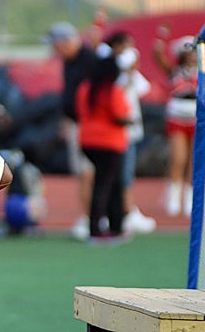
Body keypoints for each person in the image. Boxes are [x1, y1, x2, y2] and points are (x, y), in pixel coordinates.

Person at [45, 21, 96, 240]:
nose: (54, 50)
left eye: (56, 44)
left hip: (91, 124)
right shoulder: (70, 61)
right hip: (77, 123)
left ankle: (90, 218)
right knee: (82, 172)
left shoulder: (90, 60)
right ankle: (90, 217)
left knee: (88, 172)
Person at [75, 53, 132, 244]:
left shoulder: (85, 88)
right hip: (110, 142)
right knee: (106, 185)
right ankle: (97, 230)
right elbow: (121, 115)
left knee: (108, 183)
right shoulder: (112, 90)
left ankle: (114, 226)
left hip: (87, 141)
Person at [106, 31, 157, 234]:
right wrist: (127, 71)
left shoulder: (126, 70)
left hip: (128, 130)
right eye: (128, 45)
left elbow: (144, 89)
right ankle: (125, 212)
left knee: (125, 173)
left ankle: (123, 212)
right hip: (118, 130)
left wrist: (132, 70)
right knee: (120, 174)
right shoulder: (109, 67)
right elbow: (116, 91)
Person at [153, 27, 198, 217]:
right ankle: (173, 196)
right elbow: (157, 54)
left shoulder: (202, 73)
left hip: (197, 119)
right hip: (177, 118)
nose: (191, 55)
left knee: (194, 160)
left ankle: (190, 198)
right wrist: (162, 33)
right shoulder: (174, 71)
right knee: (178, 158)